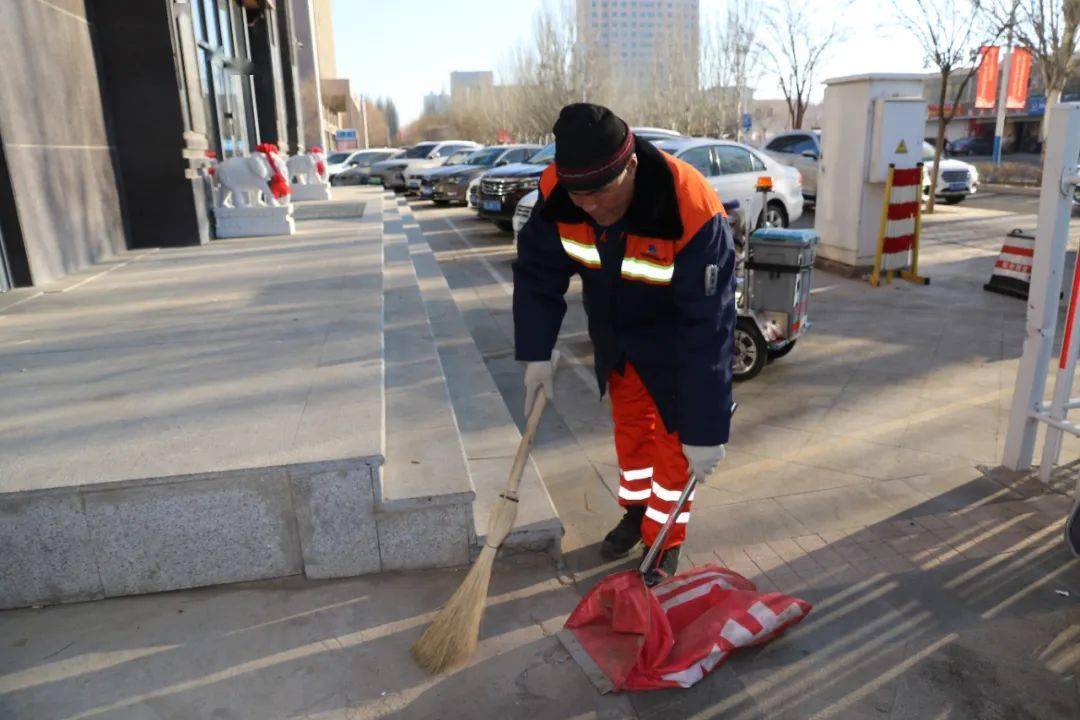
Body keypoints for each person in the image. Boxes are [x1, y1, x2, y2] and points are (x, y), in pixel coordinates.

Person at [513, 103, 736, 577]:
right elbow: (538, 274)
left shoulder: (690, 208)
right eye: (580, 196)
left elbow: (709, 329)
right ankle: (637, 513)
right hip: (617, 335)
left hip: (676, 344)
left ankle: (663, 541)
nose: (591, 208)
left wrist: (707, 430)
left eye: (601, 194)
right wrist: (536, 351)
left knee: (676, 449)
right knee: (632, 434)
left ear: (631, 165)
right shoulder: (560, 194)